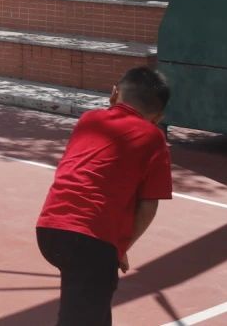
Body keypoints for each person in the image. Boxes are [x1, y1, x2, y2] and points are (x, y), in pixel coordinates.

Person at [36, 67, 173, 326]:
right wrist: (121, 248)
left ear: (113, 93)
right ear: (158, 117)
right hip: (91, 239)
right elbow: (148, 206)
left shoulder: (89, 119)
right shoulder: (153, 138)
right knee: (82, 314)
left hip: (49, 229)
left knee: (94, 307)